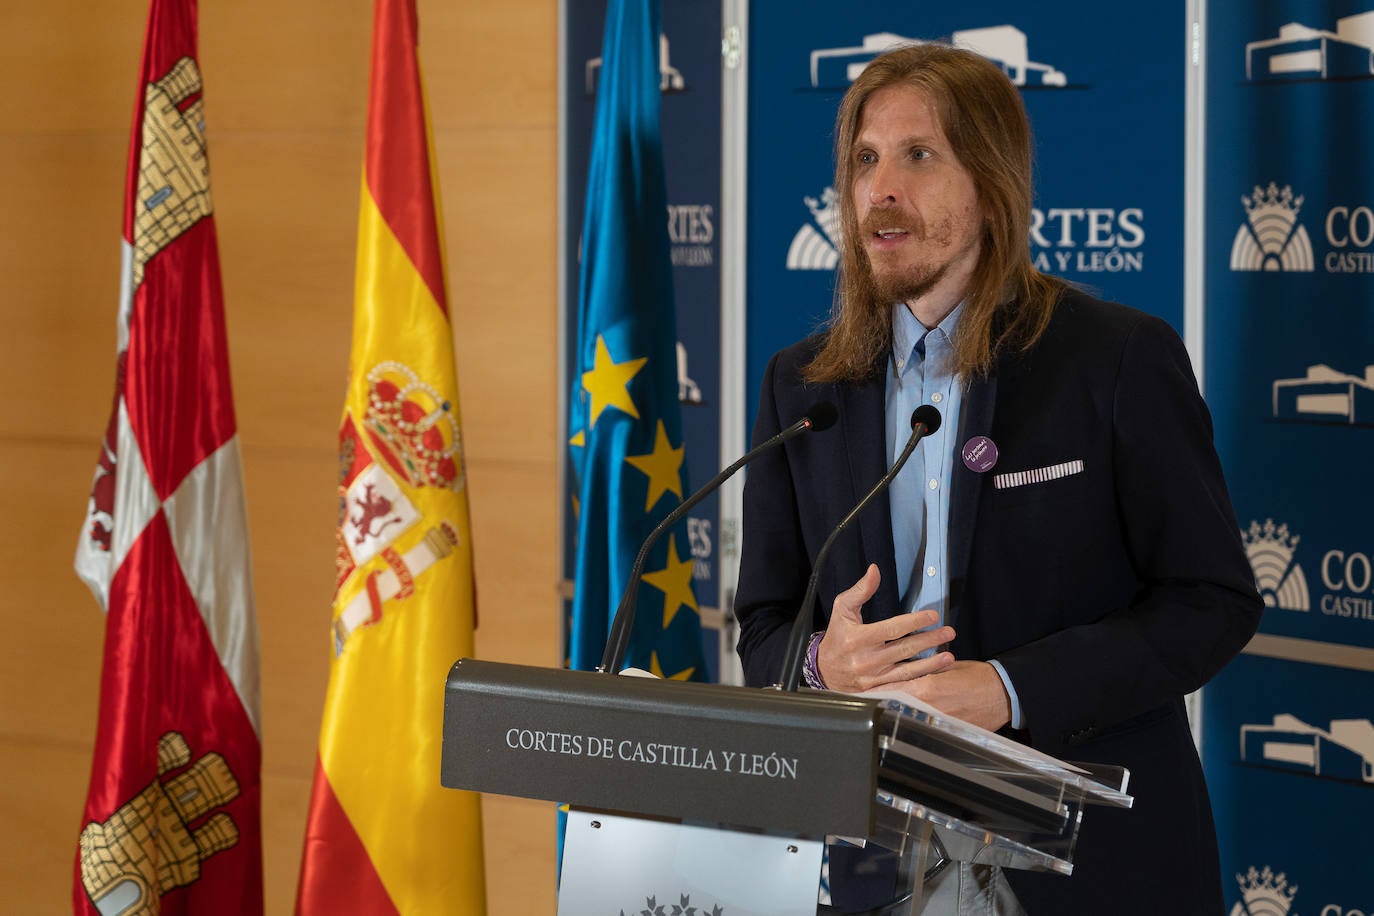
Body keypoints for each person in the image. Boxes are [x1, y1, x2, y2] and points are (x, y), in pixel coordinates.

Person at [733, 43, 1262, 914]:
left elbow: (1213, 602)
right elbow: (762, 621)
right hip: (872, 860)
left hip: (1087, 863)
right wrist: (824, 667)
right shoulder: (804, 386)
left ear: (991, 182)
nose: (881, 190)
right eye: (864, 160)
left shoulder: (1116, 359)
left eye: (918, 155)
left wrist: (1011, 688)